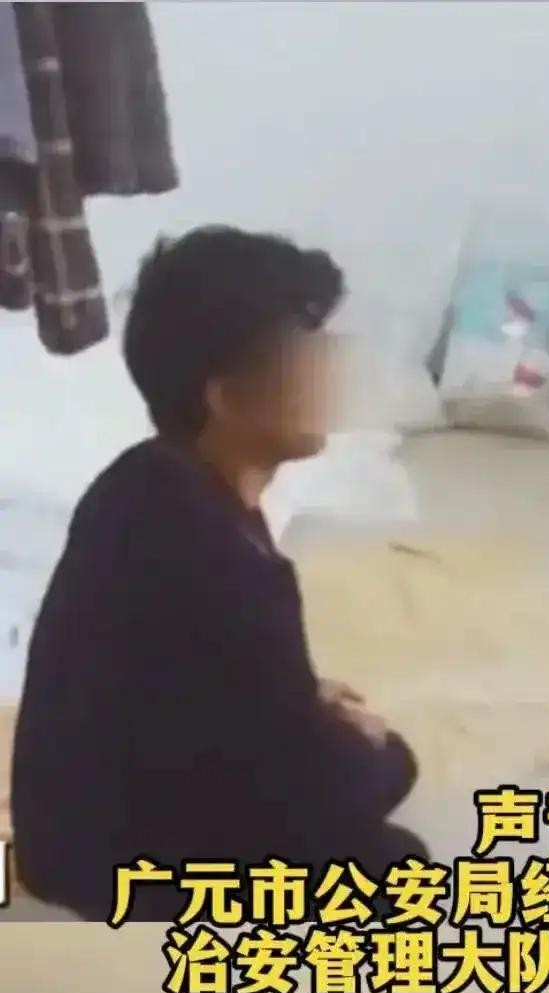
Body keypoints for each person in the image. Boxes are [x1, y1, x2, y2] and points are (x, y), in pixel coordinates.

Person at [11, 226, 427, 921]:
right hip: (111, 869)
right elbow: (314, 793)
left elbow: (195, 686)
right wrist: (383, 752)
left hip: (67, 829)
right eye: (303, 356)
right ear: (225, 398)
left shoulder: (144, 478)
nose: (328, 371)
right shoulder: (218, 564)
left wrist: (300, 703)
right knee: (392, 862)